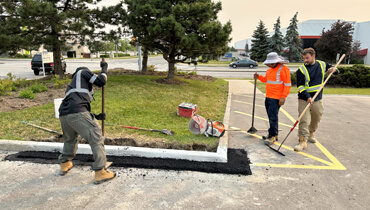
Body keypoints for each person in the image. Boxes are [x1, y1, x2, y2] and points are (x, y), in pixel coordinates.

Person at [58, 58, 116, 184]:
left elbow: (75, 110)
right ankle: (100, 171)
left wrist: (95, 116)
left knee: (70, 139)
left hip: (64, 114)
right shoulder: (83, 72)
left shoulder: (72, 86)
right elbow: (101, 81)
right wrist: (104, 68)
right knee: (96, 138)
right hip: (76, 112)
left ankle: (65, 163)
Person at [294, 48, 338, 152]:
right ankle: (302, 141)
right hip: (304, 98)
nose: (305, 60)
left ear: (314, 56)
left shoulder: (322, 64)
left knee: (317, 116)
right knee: (304, 119)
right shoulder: (301, 70)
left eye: (307, 58)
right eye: (304, 58)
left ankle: (311, 133)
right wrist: (308, 97)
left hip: (317, 98)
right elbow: (300, 87)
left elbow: (335, 70)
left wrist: (334, 70)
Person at [254, 52, 291, 145]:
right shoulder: (269, 70)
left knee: (273, 118)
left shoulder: (284, 69)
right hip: (268, 97)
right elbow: (266, 80)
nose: (269, 65)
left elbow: (287, 85)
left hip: (276, 98)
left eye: (270, 63)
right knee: (271, 117)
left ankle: (273, 135)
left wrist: (283, 97)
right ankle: (273, 133)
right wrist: (259, 77)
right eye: (268, 63)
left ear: (276, 61)